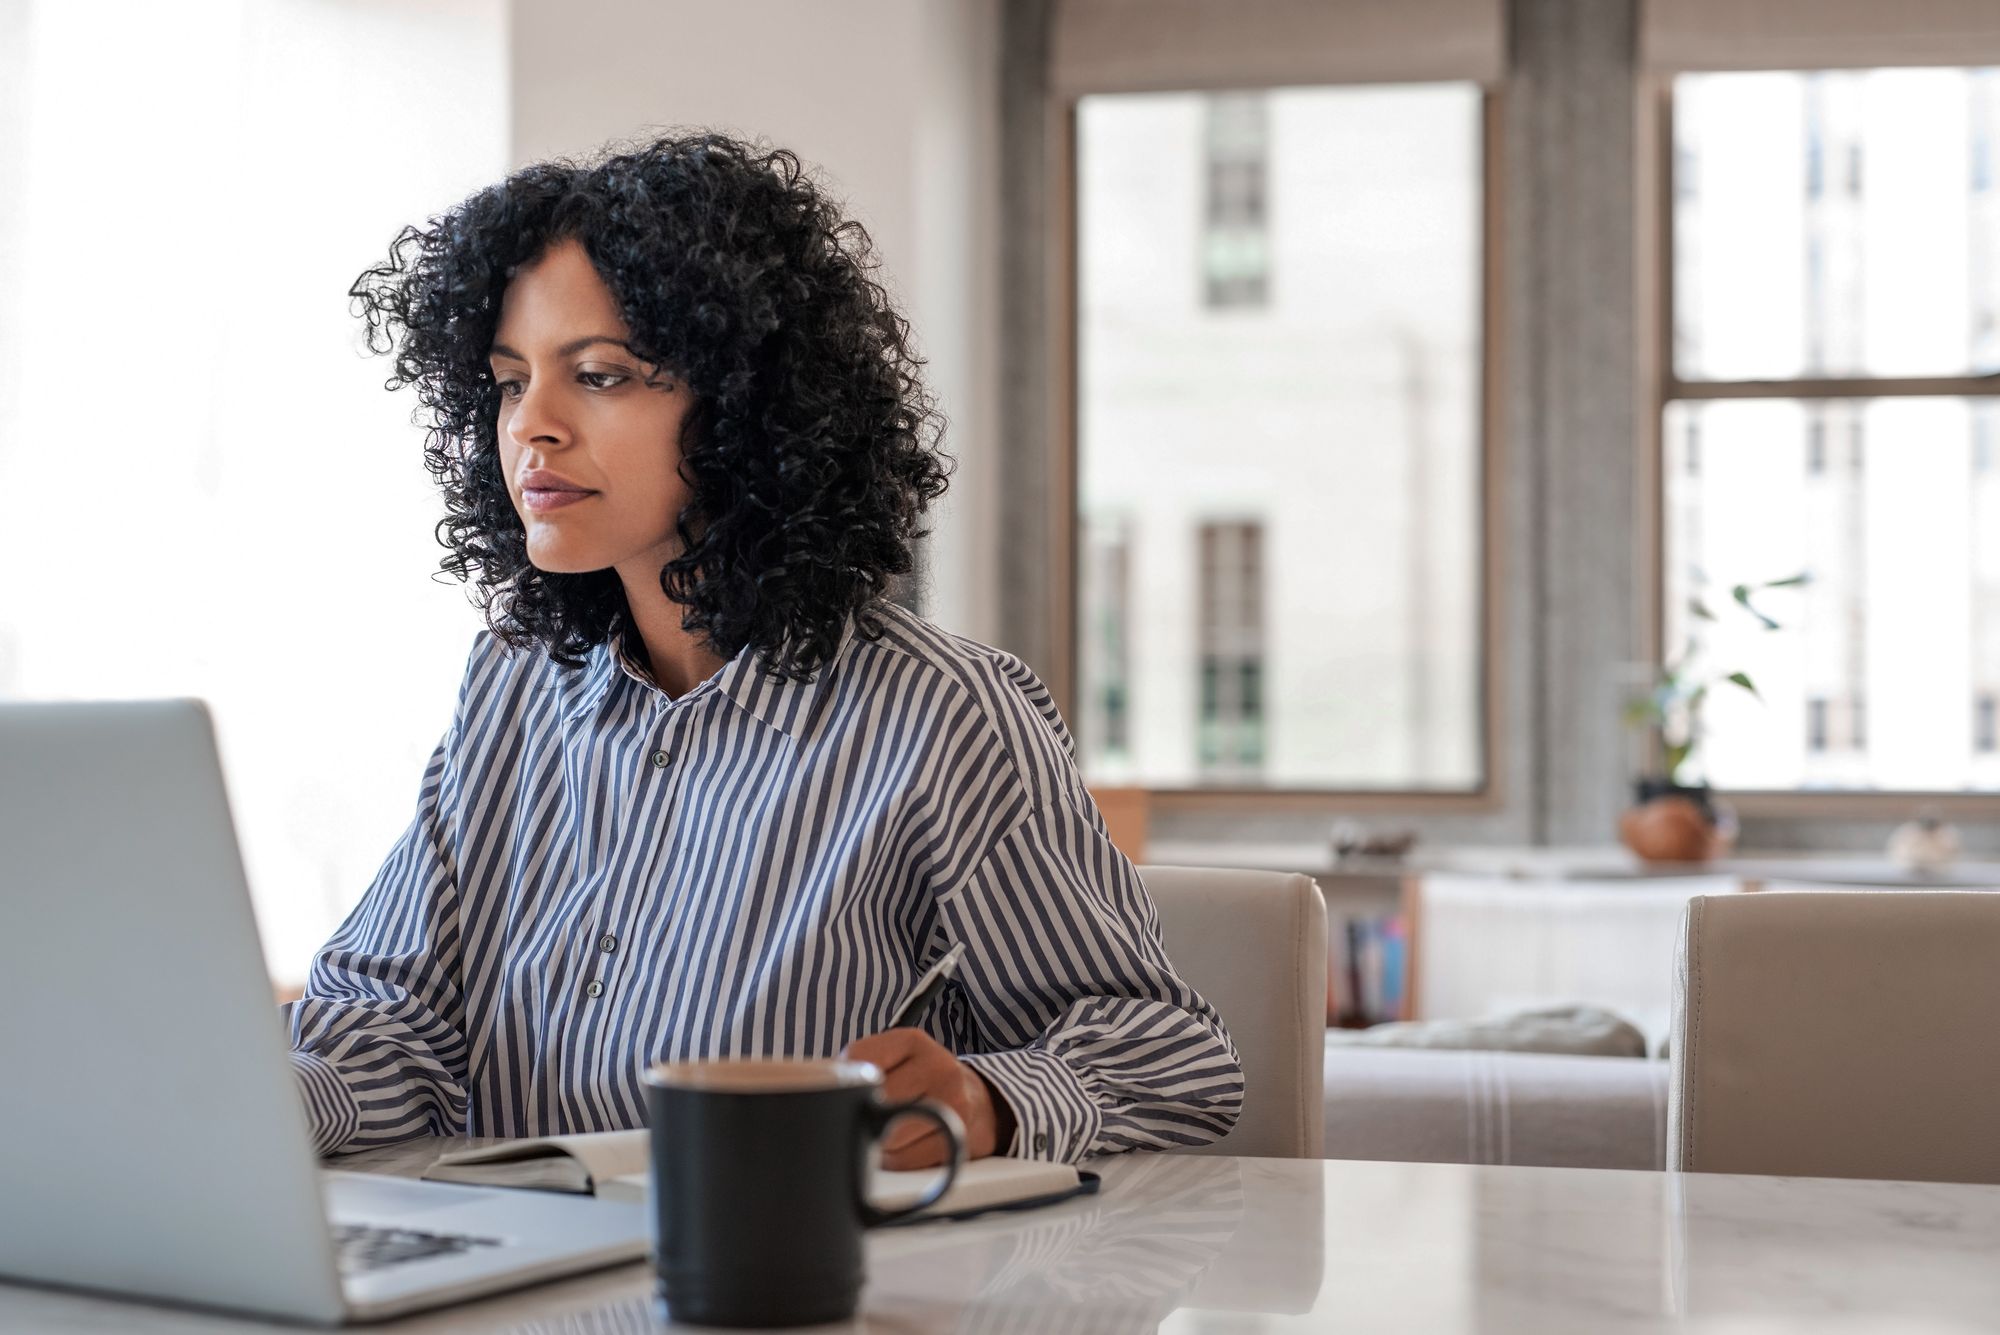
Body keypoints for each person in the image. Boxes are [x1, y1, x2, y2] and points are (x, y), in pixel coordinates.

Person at [285, 130, 1243, 1169]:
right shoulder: (512, 684)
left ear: (746, 408)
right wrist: (239, 1098)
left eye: (600, 375)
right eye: (510, 382)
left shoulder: (944, 714)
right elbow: (389, 1027)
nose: (533, 428)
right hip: (513, 1289)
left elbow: (1172, 1064)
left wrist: (986, 1099)